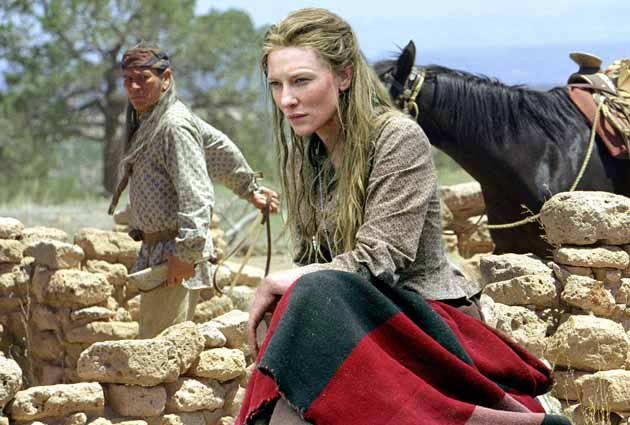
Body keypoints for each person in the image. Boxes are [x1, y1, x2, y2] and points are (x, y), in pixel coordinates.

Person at [238, 8, 570, 425]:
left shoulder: (397, 138)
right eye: (276, 84)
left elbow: (379, 260)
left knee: (306, 299)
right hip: (353, 315)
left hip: (423, 318)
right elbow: (315, 262)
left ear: (344, 76)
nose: (287, 99)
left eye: (301, 81)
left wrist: (282, 282)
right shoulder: (310, 155)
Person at [109, 43, 279, 339]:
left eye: (143, 78)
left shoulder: (173, 125)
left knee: (160, 348)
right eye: (128, 80)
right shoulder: (154, 120)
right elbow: (216, 146)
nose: (134, 87)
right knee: (157, 341)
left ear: (166, 79)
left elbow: (196, 195)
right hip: (157, 252)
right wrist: (250, 190)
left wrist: (186, 254)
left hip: (173, 254)